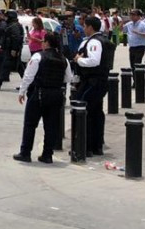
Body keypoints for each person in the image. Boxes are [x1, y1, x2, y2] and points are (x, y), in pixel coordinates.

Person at [14, 32, 72, 163]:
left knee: (30, 124)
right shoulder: (64, 59)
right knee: (51, 126)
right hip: (56, 94)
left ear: (46, 43)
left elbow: (28, 76)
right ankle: (47, 154)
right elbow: (68, 78)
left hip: (39, 93)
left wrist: (22, 92)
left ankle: (25, 152)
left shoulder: (38, 57)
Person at [72, 16, 112, 157]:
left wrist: (79, 59)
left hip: (93, 81)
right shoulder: (102, 39)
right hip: (96, 81)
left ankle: (86, 146)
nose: (83, 29)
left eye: (85, 26)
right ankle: (96, 145)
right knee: (96, 113)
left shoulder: (94, 42)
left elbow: (94, 61)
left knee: (84, 112)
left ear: (90, 27)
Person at [0, 11, 23, 90]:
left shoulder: (14, 26)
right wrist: (1, 45)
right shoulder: (10, 25)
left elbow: (16, 38)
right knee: (15, 67)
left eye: (7, 16)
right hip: (9, 48)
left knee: (10, 66)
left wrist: (14, 49)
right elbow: (5, 37)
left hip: (12, 49)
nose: (5, 18)